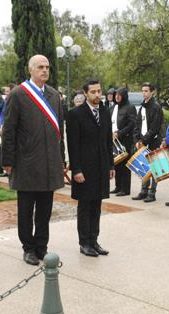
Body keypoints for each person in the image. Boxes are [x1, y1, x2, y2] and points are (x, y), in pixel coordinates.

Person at [1, 55, 65, 265]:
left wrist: (61, 159)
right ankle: (28, 248)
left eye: (47, 67)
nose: (45, 70)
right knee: (26, 210)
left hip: (49, 163)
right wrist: (7, 161)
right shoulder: (19, 94)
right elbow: (8, 130)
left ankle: (41, 247)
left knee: (45, 211)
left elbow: (60, 131)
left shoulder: (54, 95)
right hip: (27, 162)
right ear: (31, 70)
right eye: (40, 67)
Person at [67, 79, 114, 257]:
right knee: (85, 205)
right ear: (85, 93)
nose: (97, 95)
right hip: (84, 168)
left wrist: (111, 165)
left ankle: (94, 240)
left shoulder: (104, 111)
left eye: (99, 91)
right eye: (93, 92)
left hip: (101, 166)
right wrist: (76, 170)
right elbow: (73, 145)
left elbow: (108, 140)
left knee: (97, 205)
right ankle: (84, 242)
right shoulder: (75, 114)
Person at [132, 82, 163, 202]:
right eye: (143, 91)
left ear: (152, 92)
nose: (144, 93)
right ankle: (144, 190)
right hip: (142, 142)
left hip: (153, 141)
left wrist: (144, 140)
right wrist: (137, 139)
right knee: (143, 166)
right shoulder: (142, 107)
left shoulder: (156, 107)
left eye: (146, 91)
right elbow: (137, 124)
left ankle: (152, 192)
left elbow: (154, 128)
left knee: (155, 167)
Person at [109, 87, 136, 196]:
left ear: (124, 96)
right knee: (117, 164)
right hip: (113, 140)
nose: (117, 96)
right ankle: (118, 186)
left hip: (125, 140)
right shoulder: (113, 107)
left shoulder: (130, 107)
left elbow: (131, 124)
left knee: (125, 165)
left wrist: (119, 133)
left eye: (119, 95)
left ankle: (125, 189)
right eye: (116, 94)